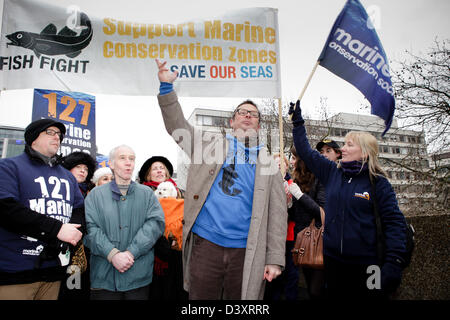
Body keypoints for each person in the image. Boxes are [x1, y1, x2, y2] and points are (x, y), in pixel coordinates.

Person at [155, 58, 287, 300]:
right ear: (232, 121)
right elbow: (176, 126)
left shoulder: (269, 163)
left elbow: (278, 215)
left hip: (247, 251)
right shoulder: (208, 145)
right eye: (242, 112)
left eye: (254, 114)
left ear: (258, 126)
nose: (248, 116)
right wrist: (166, 88)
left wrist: (275, 259)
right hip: (207, 244)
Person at [290, 100, 408, 299]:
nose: (342, 149)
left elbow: (394, 223)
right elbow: (305, 151)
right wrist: (298, 123)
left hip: (369, 265)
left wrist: (394, 262)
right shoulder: (332, 173)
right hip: (334, 261)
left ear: (364, 152)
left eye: (349, 145)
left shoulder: (378, 183)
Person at [0, 119, 84, 300]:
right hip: (16, 271)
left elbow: (79, 209)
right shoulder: (8, 167)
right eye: (50, 132)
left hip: (54, 270)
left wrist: (67, 239)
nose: (57, 137)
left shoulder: (67, 176)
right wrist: (57, 229)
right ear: (33, 138)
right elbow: (6, 208)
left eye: (59, 135)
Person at [83, 145, 165, 300]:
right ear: (111, 164)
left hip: (138, 277)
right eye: (123, 158)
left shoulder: (147, 194)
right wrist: (112, 254)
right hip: (104, 277)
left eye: (132, 159)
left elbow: (155, 224)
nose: (128, 162)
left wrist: (131, 252)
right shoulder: (95, 195)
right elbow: (90, 228)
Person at [138, 156, 187, 300]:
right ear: (148, 174)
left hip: (179, 250)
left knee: (179, 289)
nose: (159, 171)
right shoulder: (143, 192)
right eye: (154, 169)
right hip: (154, 251)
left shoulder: (180, 192)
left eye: (161, 168)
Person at [288, 146, 326, 299]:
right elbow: (294, 215)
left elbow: (321, 212)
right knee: (309, 287)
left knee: (316, 291)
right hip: (302, 243)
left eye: (294, 158)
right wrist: (288, 202)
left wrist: (299, 195)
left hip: (319, 242)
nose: (291, 161)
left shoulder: (321, 179)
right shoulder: (295, 179)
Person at [59, 151, 96, 300]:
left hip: (86, 248)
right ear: (68, 168)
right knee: (71, 288)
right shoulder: (60, 189)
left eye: (86, 169)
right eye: (78, 167)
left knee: (81, 289)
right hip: (68, 249)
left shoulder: (91, 192)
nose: (83, 170)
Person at [264, 153, 299, 300]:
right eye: (275, 164)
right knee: (272, 278)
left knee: (291, 273)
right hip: (269, 236)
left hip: (288, 236)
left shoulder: (292, 185)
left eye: (281, 164)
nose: (278, 166)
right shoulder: (265, 184)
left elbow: (297, 214)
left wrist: (289, 201)